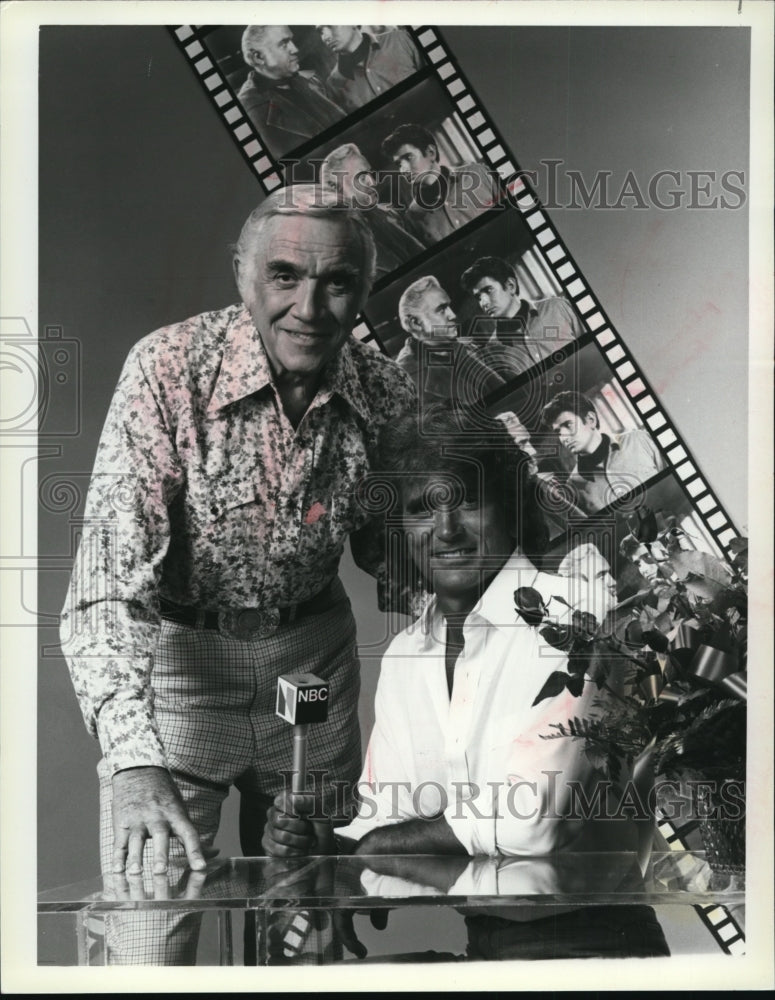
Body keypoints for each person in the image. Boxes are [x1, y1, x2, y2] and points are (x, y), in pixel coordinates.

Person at [59, 185, 416, 963]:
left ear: (363, 287)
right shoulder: (167, 369)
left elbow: (393, 555)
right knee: (147, 934)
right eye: (285, 276)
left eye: (337, 282)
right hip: (185, 676)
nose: (310, 307)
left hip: (308, 673)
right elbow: (103, 588)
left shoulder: (384, 387)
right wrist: (131, 763)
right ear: (242, 274)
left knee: (304, 923)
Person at [262, 404, 625, 862]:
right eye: (421, 509)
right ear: (399, 532)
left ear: (509, 507)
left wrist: (372, 846)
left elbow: (533, 823)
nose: (446, 530)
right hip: (475, 926)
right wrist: (329, 842)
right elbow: (386, 814)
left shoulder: (577, 618)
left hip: (598, 927)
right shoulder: (405, 654)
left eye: (468, 501)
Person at [541, 390, 666, 513]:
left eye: (568, 425)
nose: (564, 437)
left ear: (591, 419)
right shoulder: (574, 485)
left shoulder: (639, 440)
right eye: (558, 432)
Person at [460, 255, 583, 377]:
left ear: (510, 285)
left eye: (488, 290)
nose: (484, 303)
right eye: (478, 297)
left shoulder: (557, 307)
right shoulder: (493, 351)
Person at [394, 275, 505, 406]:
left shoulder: (461, 344)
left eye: (449, 307)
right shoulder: (404, 379)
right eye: (441, 310)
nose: (453, 315)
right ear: (416, 324)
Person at [380, 124, 499, 245]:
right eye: (399, 164)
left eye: (409, 157)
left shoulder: (477, 173)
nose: (403, 169)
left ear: (431, 152)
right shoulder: (413, 216)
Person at [320, 143, 425, 279]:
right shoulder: (342, 249)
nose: (372, 182)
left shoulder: (389, 213)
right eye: (362, 178)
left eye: (369, 173)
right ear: (337, 191)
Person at [236, 26, 345, 158]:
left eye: (291, 41)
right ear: (258, 57)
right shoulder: (249, 111)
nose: (295, 49)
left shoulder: (310, 80)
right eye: (283, 44)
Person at [316, 26, 422, 112]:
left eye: (330, 26)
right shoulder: (333, 84)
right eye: (320, 31)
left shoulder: (400, 39)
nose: (325, 37)